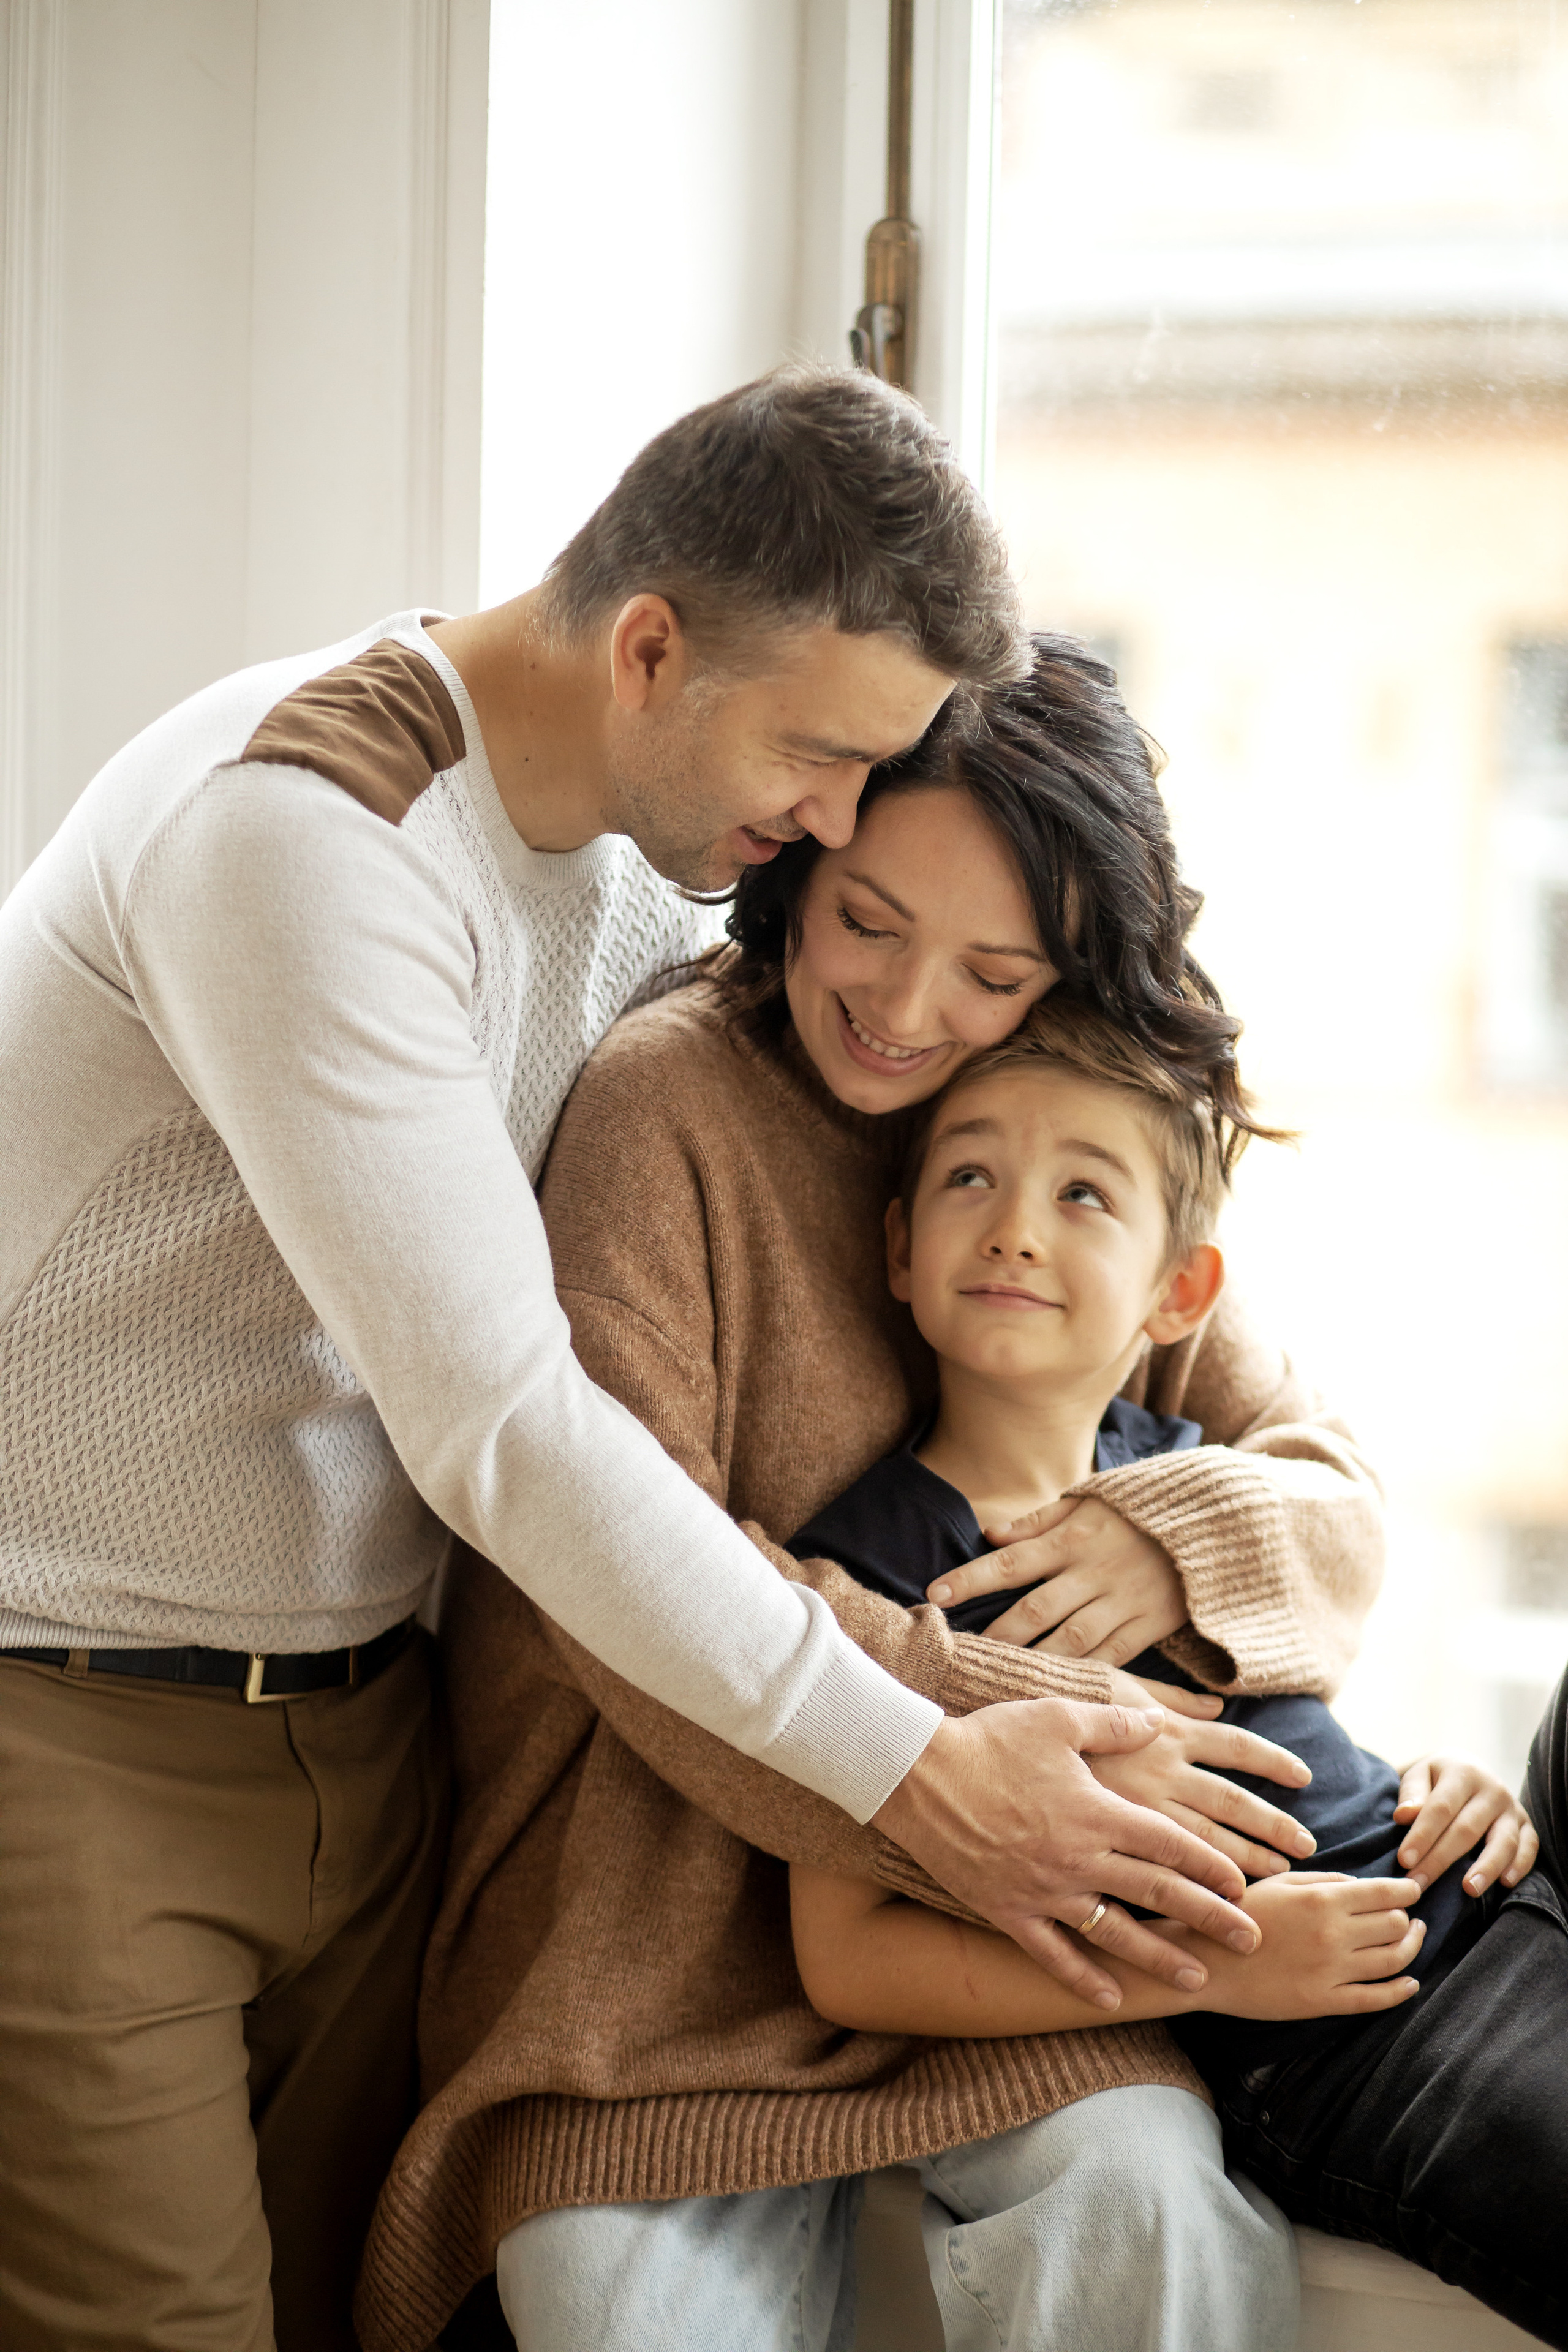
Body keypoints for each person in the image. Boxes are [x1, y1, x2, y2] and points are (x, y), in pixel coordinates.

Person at [0, 371, 1260, 2352]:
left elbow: (1170, 1298)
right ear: (654, 649)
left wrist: (1225, 1527)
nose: (842, 820)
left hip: (372, 1731)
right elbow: (513, 1433)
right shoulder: (309, 843)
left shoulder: (646, 851)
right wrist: (925, 1771)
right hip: (73, 1714)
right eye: (828, 760)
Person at [356, 641, 1386, 2352]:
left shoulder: (1060, 1114)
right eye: (869, 925)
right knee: (608, 2312)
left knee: (1152, 2218)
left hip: (1009, 1948)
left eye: (992, 967)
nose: (914, 1014)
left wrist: (1168, 1531)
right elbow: (625, 1563)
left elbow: (1336, 1508)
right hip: (657, 1957)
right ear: (799, 864)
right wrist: (1008, 1702)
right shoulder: (665, 1105)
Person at [787, 995, 1561, 2348]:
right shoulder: (868, 1573)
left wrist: (1458, 1784)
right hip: (1357, 2043)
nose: (1017, 1223)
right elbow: (845, 1960)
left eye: (1082, 1192)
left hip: (1504, 1884)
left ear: (1176, 1291)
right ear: (899, 1247)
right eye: (970, 1174)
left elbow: (1291, 1728)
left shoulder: (1188, 1471)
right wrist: (1213, 1978)